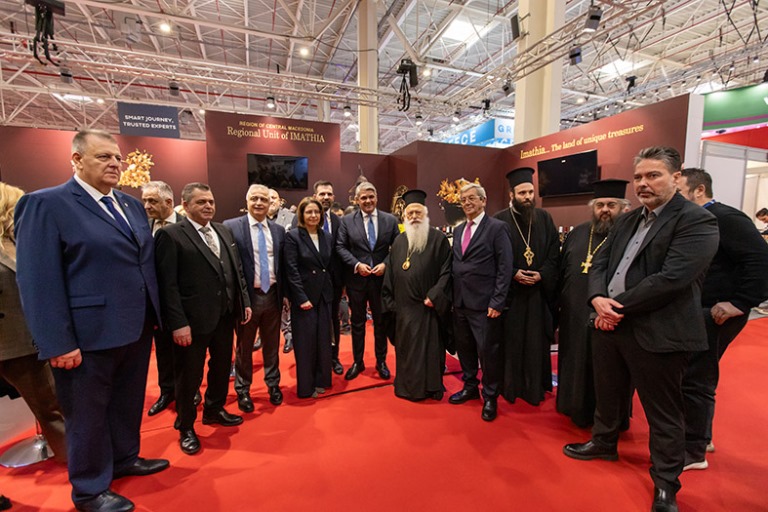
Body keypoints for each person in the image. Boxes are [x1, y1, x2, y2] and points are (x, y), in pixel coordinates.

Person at [15, 129, 169, 512]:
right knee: (86, 416)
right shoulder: (46, 204)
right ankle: (89, 489)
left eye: (117, 157)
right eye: (103, 157)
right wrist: (57, 341)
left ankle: (124, 458)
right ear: (77, 160)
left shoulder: (131, 205)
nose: (114, 163)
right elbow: (37, 281)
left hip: (135, 327)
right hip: (85, 337)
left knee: (127, 402)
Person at [563, 146, 719, 512]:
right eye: (638, 177)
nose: (643, 184)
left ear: (676, 177)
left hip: (659, 330)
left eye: (653, 175)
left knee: (663, 413)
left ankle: (666, 483)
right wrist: (597, 298)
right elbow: (600, 263)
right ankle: (604, 442)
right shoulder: (628, 219)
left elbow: (672, 279)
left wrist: (615, 307)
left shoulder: (697, 221)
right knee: (608, 393)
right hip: (610, 325)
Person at [677, 168, 768, 470]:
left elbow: (760, 260)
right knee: (695, 374)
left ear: (699, 190)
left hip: (715, 313)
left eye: (679, 191)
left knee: (696, 377)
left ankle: (694, 449)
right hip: (699, 310)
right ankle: (700, 437)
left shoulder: (727, 218)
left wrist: (740, 303)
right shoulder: (697, 219)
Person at [155, 183, 252, 456]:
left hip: (224, 316)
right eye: (201, 202)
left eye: (210, 201)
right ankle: (186, 426)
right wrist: (178, 324)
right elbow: (167, 286)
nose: (208, 206)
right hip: (191, 322)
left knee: (221, 367)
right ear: (185, 206)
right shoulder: (170, 235)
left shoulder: (223, 230)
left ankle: (214, 409)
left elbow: (236, 270)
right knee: (189, 376)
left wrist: (243, 302)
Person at [0, 182, 66, 463]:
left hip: (43, 337)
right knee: (51, 407)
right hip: (14, 344)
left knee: (58, 402)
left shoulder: (19, 244)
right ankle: (81, 464)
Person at [556, 179, 630, 428]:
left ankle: (607, 420)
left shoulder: (629, 235)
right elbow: (563, 270)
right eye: (600, 205)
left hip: (608, 315)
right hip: (573, 312)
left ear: (624, 207)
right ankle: (572, 406)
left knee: (606, 369)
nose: (605, 210)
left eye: (611, 205)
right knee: (574, 359)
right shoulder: (578, 233)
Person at [493, 168, 560, 405]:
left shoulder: (544, 218)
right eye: (522, 193)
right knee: (511, 342)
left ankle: (535, 387)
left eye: (531, 192)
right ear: (511, 195)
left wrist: (542, 275)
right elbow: (492, 257)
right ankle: (510, 386)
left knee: (535, 343)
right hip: (512, 297)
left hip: (537, 296)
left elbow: (554, 254)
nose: (528, 197)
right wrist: (513, 273)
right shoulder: (499, 220)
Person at [449, 183, 513, 421]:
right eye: (463, 200)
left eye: (471, 198)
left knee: (487, 352)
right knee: (465, 349)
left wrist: (497, 302)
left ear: (483, 200)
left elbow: (505, 267)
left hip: (485, 304)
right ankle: (470, 387)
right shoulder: (458, 230)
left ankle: (490, 396)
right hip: (460, 302)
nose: (467, 203)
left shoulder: (497, 228)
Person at [382, 190, 452, 401]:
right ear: (405, 216)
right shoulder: (399, 242)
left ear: (425, 214)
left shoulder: (439, 239)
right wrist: (390, 302)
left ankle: (430, 388)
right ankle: (407, 387)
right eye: (410, 213)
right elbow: (390, 274)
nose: (414, 217)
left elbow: (447, 272)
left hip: (428, 307)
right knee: (406, 352)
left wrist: (435, 295)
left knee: (430, 351)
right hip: (403, 310)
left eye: (418, 213)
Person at [223, 184, 286, 412]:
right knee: (244, 347)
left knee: (272, 345)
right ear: (247, 201)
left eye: (264, 199)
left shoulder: (278, 231)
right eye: (254, 198)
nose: (259, 203)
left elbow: (282, 265)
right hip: (247, 299)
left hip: (273, 296)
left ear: (270, 203)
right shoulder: (231, 227)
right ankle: (243, 390)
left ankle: (273, 384)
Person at [336, 182, 399, 380]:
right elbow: (340, 247)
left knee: (381, 323)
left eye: (371, 196)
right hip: (357, 280)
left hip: (381, 281)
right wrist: (356, 265)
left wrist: (386, 264)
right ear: (357, 200)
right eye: (363, 197)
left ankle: (381, 361)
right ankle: (358, 361)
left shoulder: (390, 220)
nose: (368, 201)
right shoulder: (347, 221)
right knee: (357, 323)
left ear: (377, 197)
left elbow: (398, 247)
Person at [141, 181, 185, 416]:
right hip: (155, 303)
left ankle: (188, 390)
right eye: (145, 200)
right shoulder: (142, 226)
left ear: (168, 202)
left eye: (152, 201)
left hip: (183, 301)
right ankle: (167, 391)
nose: (146, 206)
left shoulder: (187, 225)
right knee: (162, 350)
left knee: (186, 352)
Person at [283, 197, 334, 398]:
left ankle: (322, 380)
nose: (313, 215)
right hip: (304, 297)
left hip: (324, 295)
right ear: (301, 215)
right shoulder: (293, 236)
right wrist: (300, 297)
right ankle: (306, 386)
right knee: (305, 343)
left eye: (316, 212)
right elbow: (291, 270)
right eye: (309, 212)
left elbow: (329, 266)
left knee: (323, 341)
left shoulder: (326, 236)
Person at [312, 181, 345, 375]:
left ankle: (334, 357)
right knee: (313, 321)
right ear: (315, 196)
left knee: (333, 319)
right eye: (322, 194)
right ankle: (315, 359)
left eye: (329, 194)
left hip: (334, 282)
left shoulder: (339, 221)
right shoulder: (303, 218)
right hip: (311, 283)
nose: (326, 197)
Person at [267, 188, 294, 353]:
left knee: (286, 306)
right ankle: (262, 336)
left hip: (285, 269)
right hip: (266, 272)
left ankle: (288, 335)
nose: (271, 200)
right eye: (268, 197)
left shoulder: (291, 217)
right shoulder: (257, 217)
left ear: (280, 200)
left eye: (274, 197)